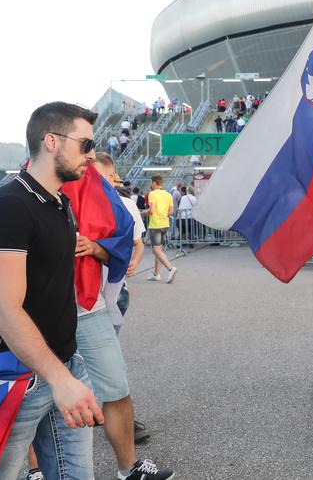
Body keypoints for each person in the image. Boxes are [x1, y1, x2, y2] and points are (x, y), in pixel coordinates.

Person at [0, 101, 104, 479]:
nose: (92, 156)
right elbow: (4, 310)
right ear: (51, 141)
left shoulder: (59, 201)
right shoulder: (10, 206)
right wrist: (60, 379)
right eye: (85, 144)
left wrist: (65, 374)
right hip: (14, 376)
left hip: (65, 365)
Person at [87, 154, 172, 479]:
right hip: (68, 305)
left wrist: (126, 260)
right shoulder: (63, 200)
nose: (91, 179)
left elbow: (134, 244)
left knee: (113, 378)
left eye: (99, 175)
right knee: (56, 387)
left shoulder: (123, 205)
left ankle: (128, 463)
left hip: (105, 300)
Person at [144, 176, 177, 283]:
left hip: (155, 225)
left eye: (151, 182)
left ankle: (170, 268)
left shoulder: (152, 194)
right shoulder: (168, 195)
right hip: (165, 224)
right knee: (158, 250)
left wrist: (142, 213)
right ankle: (156, 274)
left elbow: (151, 210)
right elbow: (171, 212)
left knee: (156, 250)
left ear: (154, 183)